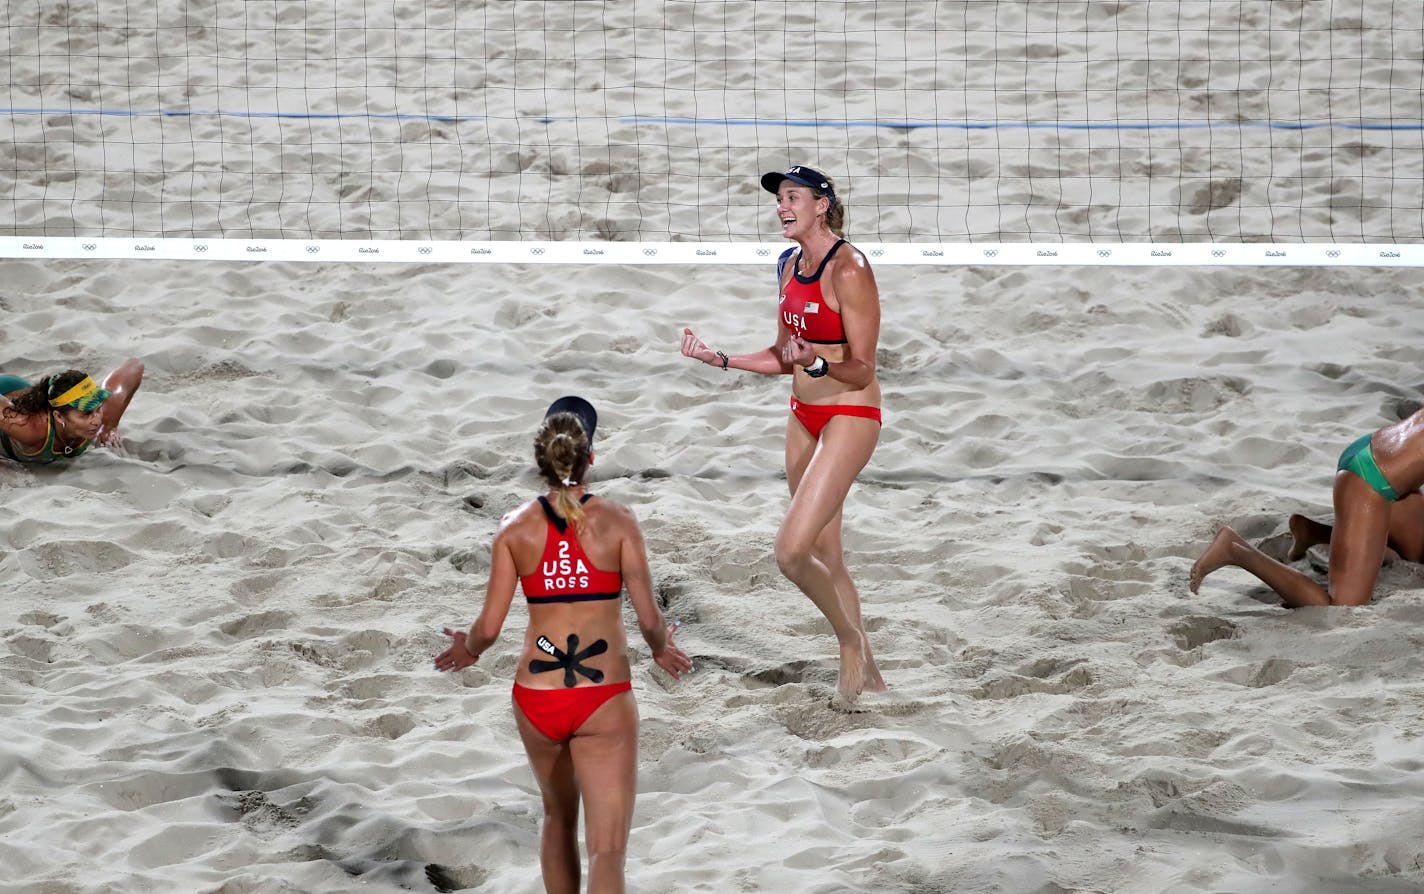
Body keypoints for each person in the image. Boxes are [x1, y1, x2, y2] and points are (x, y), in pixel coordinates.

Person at [434, 396, 691, 894]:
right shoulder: (618, 522)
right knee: (608, 851)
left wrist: (470, 648)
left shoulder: (513, 528)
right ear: (591, 458)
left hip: (536, 696)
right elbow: (648, 619)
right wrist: (662, 648)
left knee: (556, 820)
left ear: (541, 462)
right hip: (603, 698)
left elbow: (488, 627)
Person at [679, 165, 886, 699]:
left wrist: (819, 366)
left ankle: (849, 645)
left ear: (822, 205)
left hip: (850, 414)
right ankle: (874, 679)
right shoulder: (787, 264)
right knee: (827, 555)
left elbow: (862, 366)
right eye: (779, 199)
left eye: (793, 197)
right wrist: (721, 358)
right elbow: (781, 354)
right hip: (802, 415)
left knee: (791, 553)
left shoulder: (851, 269)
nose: (781, 207)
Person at [1191, 410, 1424, 606]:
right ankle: (1235, 550)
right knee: (1343, 604)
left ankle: (1314, 533)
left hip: (1376, 448)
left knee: (1418, 553)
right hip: (1368, 482)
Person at [0, 359, 144, 465]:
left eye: (98, 409)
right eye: (86, 414)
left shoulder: (101, 418)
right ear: (59, 417)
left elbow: (134, 366)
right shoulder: (29, 428)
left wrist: (110, 426)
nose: (97, 421)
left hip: (28, 395)